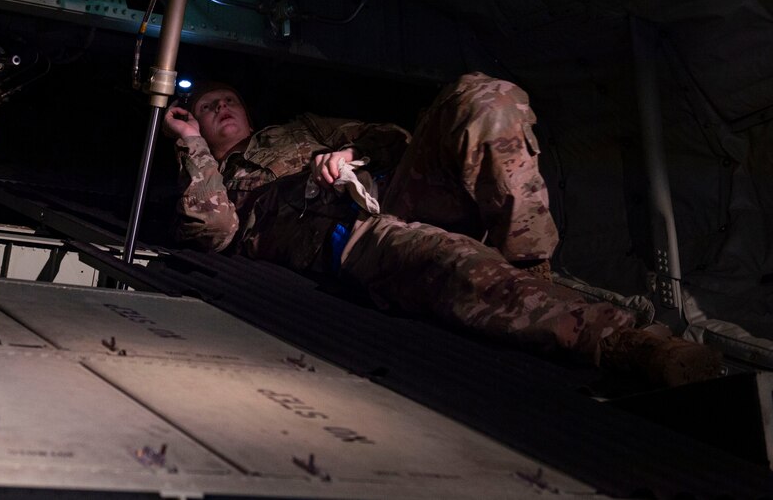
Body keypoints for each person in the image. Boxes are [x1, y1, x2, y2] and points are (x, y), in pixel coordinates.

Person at [162, 72, 724, 387]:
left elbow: (393, 138)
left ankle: (532, 270)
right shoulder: (216, 177)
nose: (222, 108)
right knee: (448, 260)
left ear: (248, 110)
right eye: (208, 108)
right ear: (200, 126)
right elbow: (213, 232)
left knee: (484, 97)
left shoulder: (300, 128)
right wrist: (191, 146)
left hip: (395, 191)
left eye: (229, 100)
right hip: (355, 237)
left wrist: (347, 153)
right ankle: (627, 343)